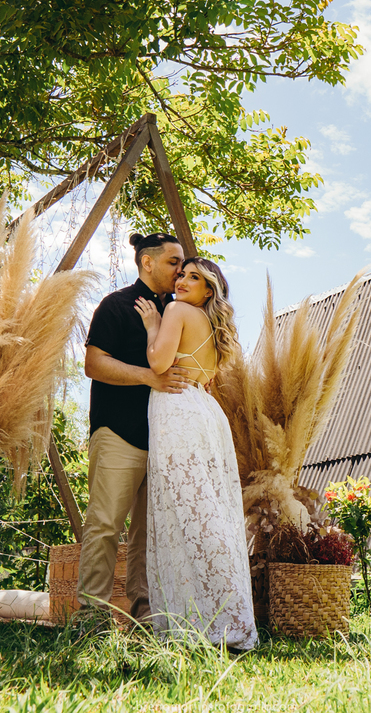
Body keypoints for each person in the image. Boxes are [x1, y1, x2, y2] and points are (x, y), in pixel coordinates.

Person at [134, 257, 258, 650]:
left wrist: (153, 326)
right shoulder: (213, 327)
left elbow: (158, 362)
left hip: (177, 411)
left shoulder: (175, 310)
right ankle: (219, 611)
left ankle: (214, 617)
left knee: (189, 512)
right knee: (210, 509)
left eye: (194, 278)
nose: (182, 280)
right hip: (205, 413)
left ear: (210, 290)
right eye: (182, 274)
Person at [78, 233, 191, 625]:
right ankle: (92, 616)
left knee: (151, 533)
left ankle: (145, 616)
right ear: (147, 262)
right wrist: (149, 377)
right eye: (174, 262)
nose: (181, 269)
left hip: (165, 440)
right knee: (106, 524)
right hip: (118, 434)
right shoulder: (116, 305)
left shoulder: (181, 311)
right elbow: (93, 365)